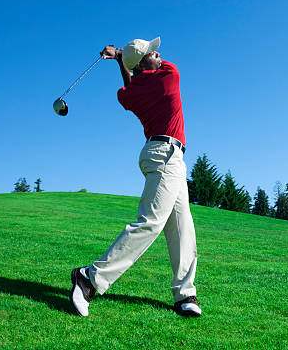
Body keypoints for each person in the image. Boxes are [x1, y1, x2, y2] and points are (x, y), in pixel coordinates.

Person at [70, 37, 201, 318]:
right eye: (151, 53)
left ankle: (184, 294)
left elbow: (130, 87)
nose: (158, 53)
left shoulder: (129, 94)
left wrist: (120, 58)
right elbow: (141, 74)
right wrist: (120, 55)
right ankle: (90, 278)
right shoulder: (169, 73)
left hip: (168, 157)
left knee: (182, 228)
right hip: (165, 155)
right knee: (151, 223)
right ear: (143, 64)